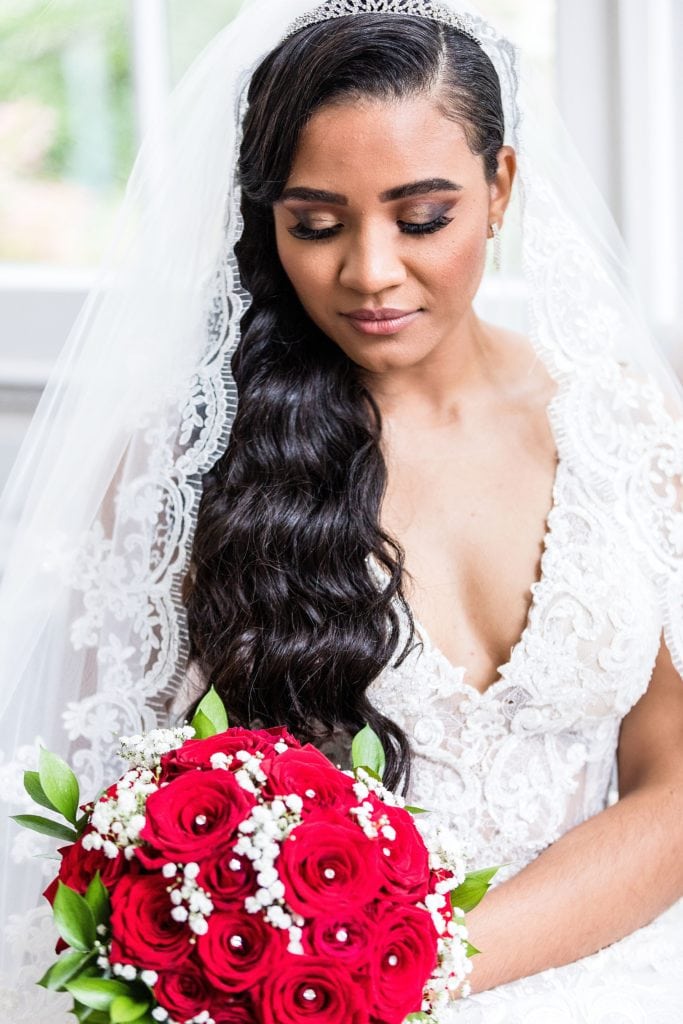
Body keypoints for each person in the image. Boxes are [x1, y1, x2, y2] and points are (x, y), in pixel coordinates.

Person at [0, 1, 681, 1021]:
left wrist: (419, 963)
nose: (367, 272)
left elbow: (668, 781)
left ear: (498, 189)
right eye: (314, 224)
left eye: (421, 218)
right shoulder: (185, 464)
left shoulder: (621, 423)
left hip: (603, 964)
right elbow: (117, 830)